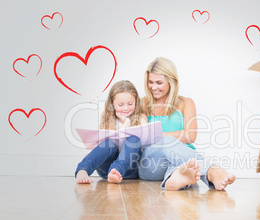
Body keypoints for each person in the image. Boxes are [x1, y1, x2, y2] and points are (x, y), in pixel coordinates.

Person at [138, 57, 236, 190]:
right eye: (150, 82)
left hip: (182, 160)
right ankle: (211, 171)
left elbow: (190, 136)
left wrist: (157, 135)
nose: (153, 87)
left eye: (159, 83)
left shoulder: (186, 103)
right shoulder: (142, 103)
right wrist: (170, 138)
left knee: (186, 167)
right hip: (151, 163)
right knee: (168, 142)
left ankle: (174, 179)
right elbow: (144, 138)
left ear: (171, 82)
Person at [75, 80, 148, 184]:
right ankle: (83, 169)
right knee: (108, 143)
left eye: (130, 103)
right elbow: (105, 148)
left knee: (133, 140)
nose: (126, 108)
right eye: (120, 104)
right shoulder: (108, 118)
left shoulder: (141, 118)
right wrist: (94, 153)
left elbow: (143, 145)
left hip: (129, 169)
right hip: (106, 169)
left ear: (136, 101)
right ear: (112, 103)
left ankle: (116, 170)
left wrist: (126, 122)